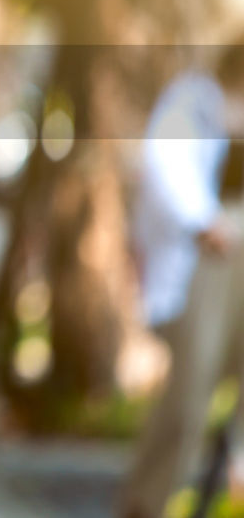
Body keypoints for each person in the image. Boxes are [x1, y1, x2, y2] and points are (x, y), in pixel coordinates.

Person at [120, 44, 244, 518]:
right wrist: (204, 221)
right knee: (191, 390)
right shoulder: (195, 99)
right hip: (206, 260)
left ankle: (219, 491)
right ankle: (145, 504)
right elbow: (167, 166)